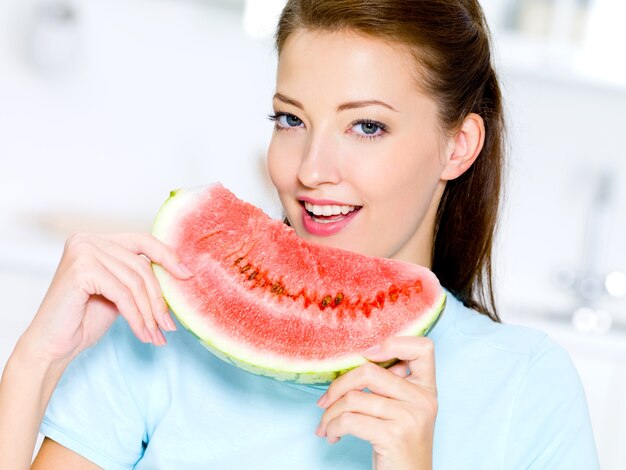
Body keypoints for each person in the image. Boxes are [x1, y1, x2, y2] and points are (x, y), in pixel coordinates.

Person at [0, 0, 599, 469]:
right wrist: (35, 363)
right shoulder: (161, 333)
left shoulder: (526, 387)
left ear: (457, 145)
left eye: (367, 126)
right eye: (291, 119)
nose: (311, 169)